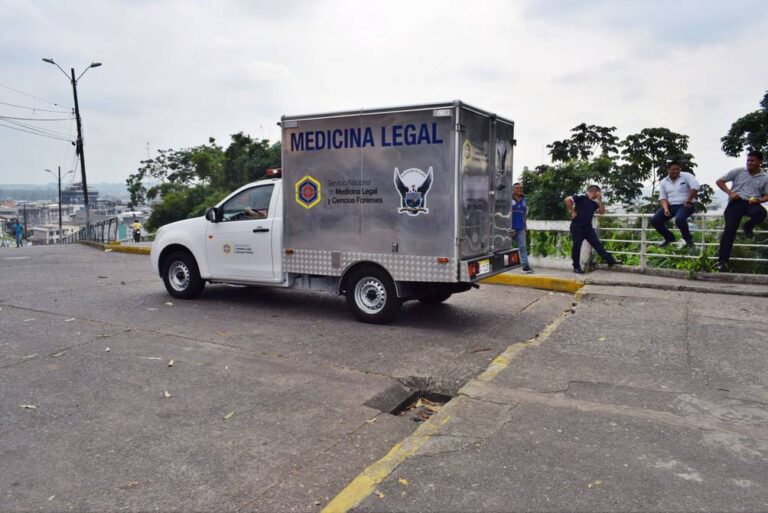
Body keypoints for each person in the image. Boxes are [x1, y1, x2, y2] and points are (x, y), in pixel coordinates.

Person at [715, 150, 768, 272]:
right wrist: (730, 193)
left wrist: (758, 201)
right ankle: (722, 262)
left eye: (753, 161)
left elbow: (767, 195)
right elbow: (719, 181)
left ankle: (748, 226)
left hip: (751, 203)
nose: (749, 163)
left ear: (760, 162)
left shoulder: (765, 177)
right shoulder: (738, 171)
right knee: (729, 231)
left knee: (761, 213)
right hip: (736, 202)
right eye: (748, 160)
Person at [564, 185, 622, 274]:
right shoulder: (581, 197)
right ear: (595, 192)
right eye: (599, 193)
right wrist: (572, 211)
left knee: (597, 244)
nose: (600, 194)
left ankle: (610, 260)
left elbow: (602, 212)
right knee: (577, 246)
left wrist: (599, 200)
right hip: (577, 227)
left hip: (588, 228)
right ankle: (576, 267)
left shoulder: (594, 203)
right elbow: (567, 200)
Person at [651, 161, 699, 248]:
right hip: (671, 205)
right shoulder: (664, 181)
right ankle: (669, 238)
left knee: (679, 219)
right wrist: (665, 209)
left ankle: (688, 240)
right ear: (668, 170)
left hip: (685, 205)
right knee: (655, 220)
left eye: (678, 169)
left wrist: (688, 201)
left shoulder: (686, 176)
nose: (676, 171)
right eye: (673, 169)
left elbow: (695, 187)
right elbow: (662, 197)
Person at [511, 182, 533, 273]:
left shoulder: (524, 199)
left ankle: (525, 266)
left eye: (520, 188)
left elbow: (524, 214)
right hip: (509, 228)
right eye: (517, 188)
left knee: (523, 247)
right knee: (503, 247)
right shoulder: (509, 199)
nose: (519, 189)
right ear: (513, 190)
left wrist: (525, 227)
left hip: (520, 227)